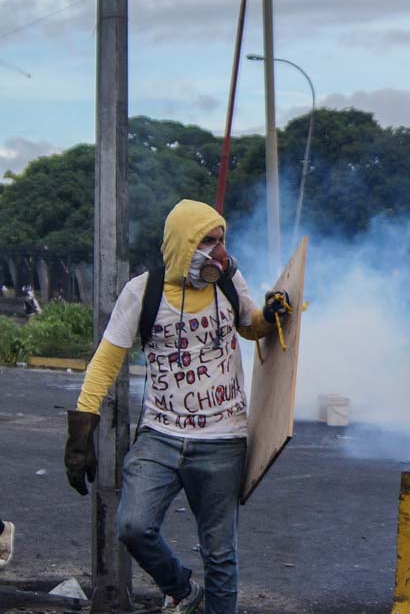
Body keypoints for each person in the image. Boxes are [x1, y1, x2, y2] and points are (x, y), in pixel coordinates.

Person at [63, 200, 290, 614]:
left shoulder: (227, 283)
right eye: (208, 240)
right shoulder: (142, 292)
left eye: (221, 240)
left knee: (220, 555)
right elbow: (105, 363)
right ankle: (182, 590)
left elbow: (249, 326)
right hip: (161, 435)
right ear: (182, 244)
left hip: (224, 439)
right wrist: (81, 430)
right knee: (133, 526)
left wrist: (268, 316)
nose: (219, 251)